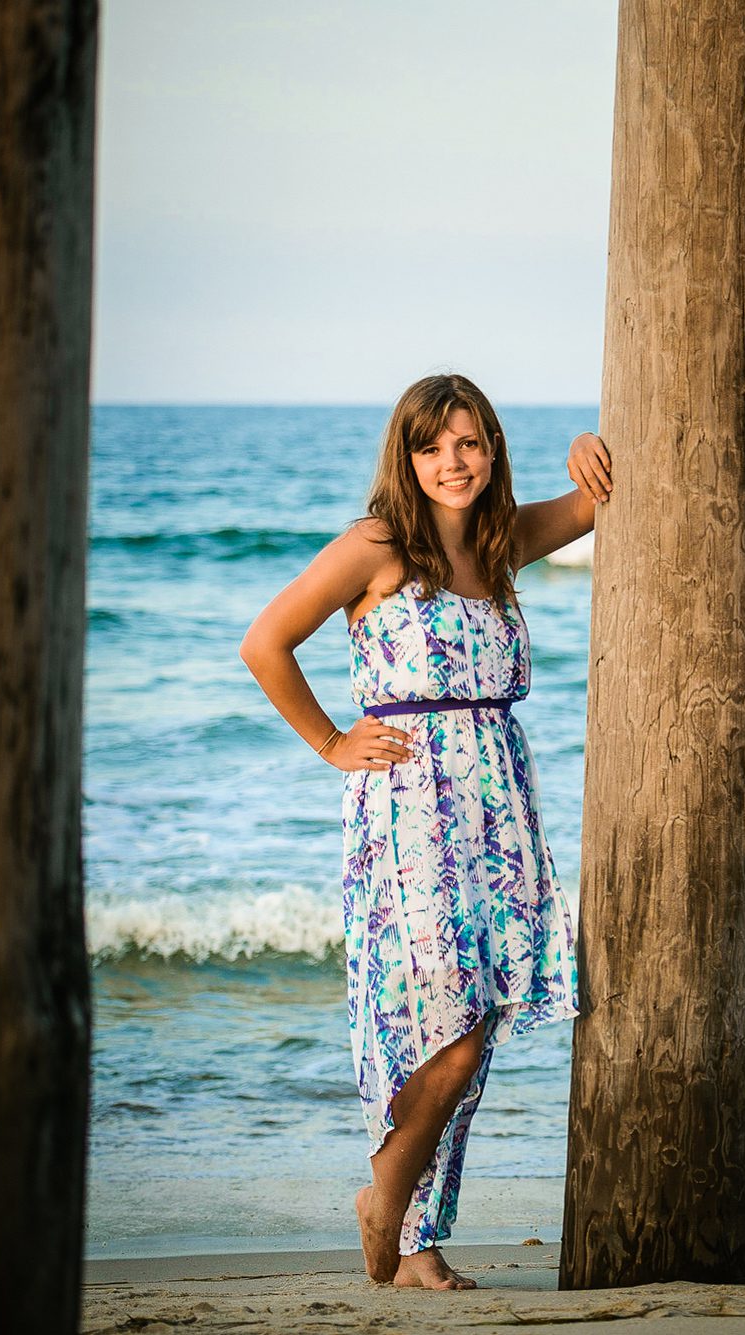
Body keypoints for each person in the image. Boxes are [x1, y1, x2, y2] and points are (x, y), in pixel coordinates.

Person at [239, 373, 612, 1289]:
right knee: (437, 1029)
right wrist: (330, 739)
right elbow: (265, 641)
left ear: (492, 450)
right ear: (407, 458)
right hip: (408, 814)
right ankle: (385, 1196)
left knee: (476, 1025)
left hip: (500, 810)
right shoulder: (376, 546)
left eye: (471, 441)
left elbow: (603, 499)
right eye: (433, 445)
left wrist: (584, 449)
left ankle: (417, 1242)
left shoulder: (506, 539)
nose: (454, 461)